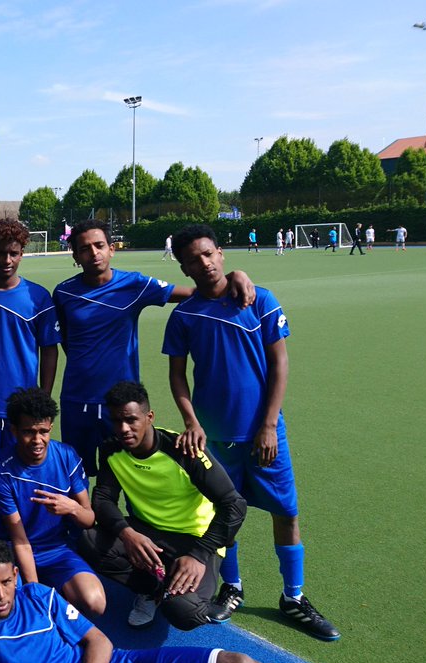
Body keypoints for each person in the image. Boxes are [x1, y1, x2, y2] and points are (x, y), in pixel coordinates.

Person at [162, 225, 340, 641]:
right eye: (193, 259)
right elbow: (177, 375)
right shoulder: (184, 316)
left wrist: (268, 425)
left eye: (208, 254)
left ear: (221, 253)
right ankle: (233, 587)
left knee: (286, 513)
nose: (204, 263)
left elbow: (279, 363)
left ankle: (293, 596)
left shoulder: (259, 300)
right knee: (223, 514)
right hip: (215, 438)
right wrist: (191, 421)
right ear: (184, 268)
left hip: (264, 435)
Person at [52, 220, 252, 477]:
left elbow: (194, 292)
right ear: (76, 256)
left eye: (99, 245)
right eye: (84, 249)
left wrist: (235, 275)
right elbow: (65, 339)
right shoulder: (63, 293)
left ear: (111, 249)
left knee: (132, 473)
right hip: (76, 400)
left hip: (122, 403)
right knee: (76, 476)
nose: (93, 253)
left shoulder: (134, 284)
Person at [0, 537, 282, 663]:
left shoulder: (38, 596)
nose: (0, 594)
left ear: (15, 576)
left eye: (6, 582)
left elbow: (99, 641)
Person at [80, 381, 246, 630]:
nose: (123, 429)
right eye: (116, 421)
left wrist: (198, 555)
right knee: (88, 541)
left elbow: (234, 504)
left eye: (131, 420)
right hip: (148, 533)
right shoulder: (111, 449)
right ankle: (152, 589)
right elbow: (103, 499)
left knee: (184, 612)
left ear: (149, 417)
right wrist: (127, 534)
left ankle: (178, 590)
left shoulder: (183, 450)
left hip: (195, 539)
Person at [0, 219, 59, 513]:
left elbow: (50, 350)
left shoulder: (38, 297)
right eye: (1, 253)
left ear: (22, 254)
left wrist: (43, 397)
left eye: (14, 253)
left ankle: (26, 533)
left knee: (26, 472)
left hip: (23, 409)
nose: (7, 260)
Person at [0, 388, 106, 617]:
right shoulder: (1, 469)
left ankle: (54, 591)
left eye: (43, 431)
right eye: (28, 432)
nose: (37, 440)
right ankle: (43, 593)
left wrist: (72, 508)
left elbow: (89, 519)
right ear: (14, 430)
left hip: (56, 549)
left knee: (95, 603)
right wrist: (35, 592)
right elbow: (20, 540)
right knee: (8, 608)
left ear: (51, 427)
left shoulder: (67, 456)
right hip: (14, 551)